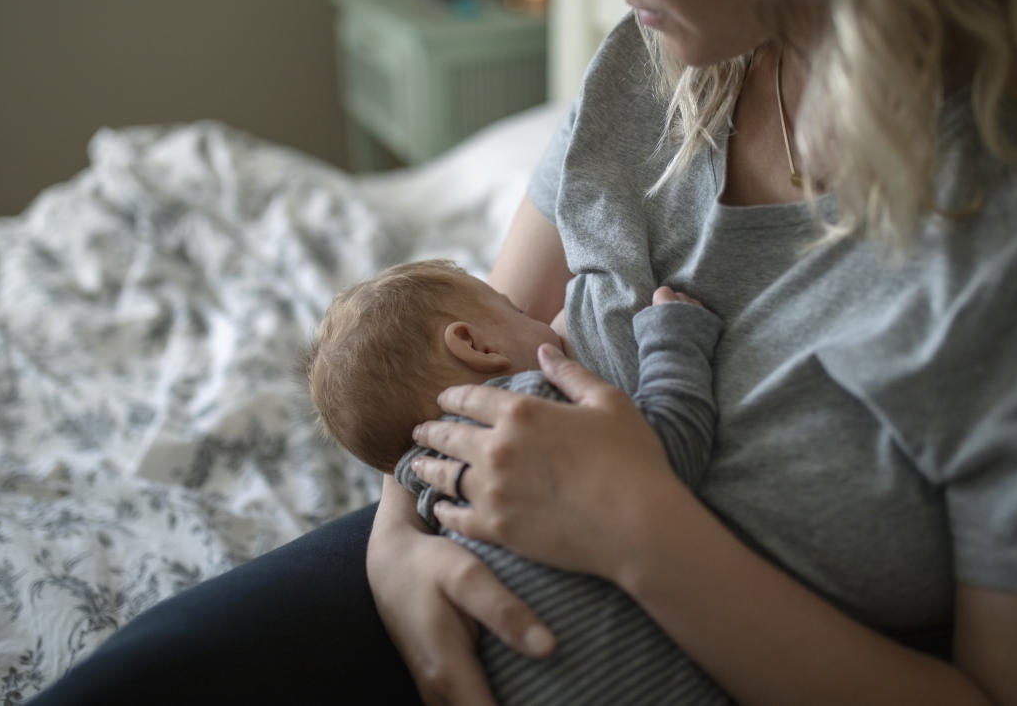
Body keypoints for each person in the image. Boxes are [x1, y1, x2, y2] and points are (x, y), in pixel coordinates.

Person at [32, 0, 1017, 704]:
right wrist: (396, 549)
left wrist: (640, 533)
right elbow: (467, 376)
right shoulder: (656, 64)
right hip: (475, 567)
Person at [307, 257, 726, 705]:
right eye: (520, 314)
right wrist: (675, 339)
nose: (547, 322)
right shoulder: (527, 414)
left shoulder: (432, 503)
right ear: (475, 345)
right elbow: (667, 460)